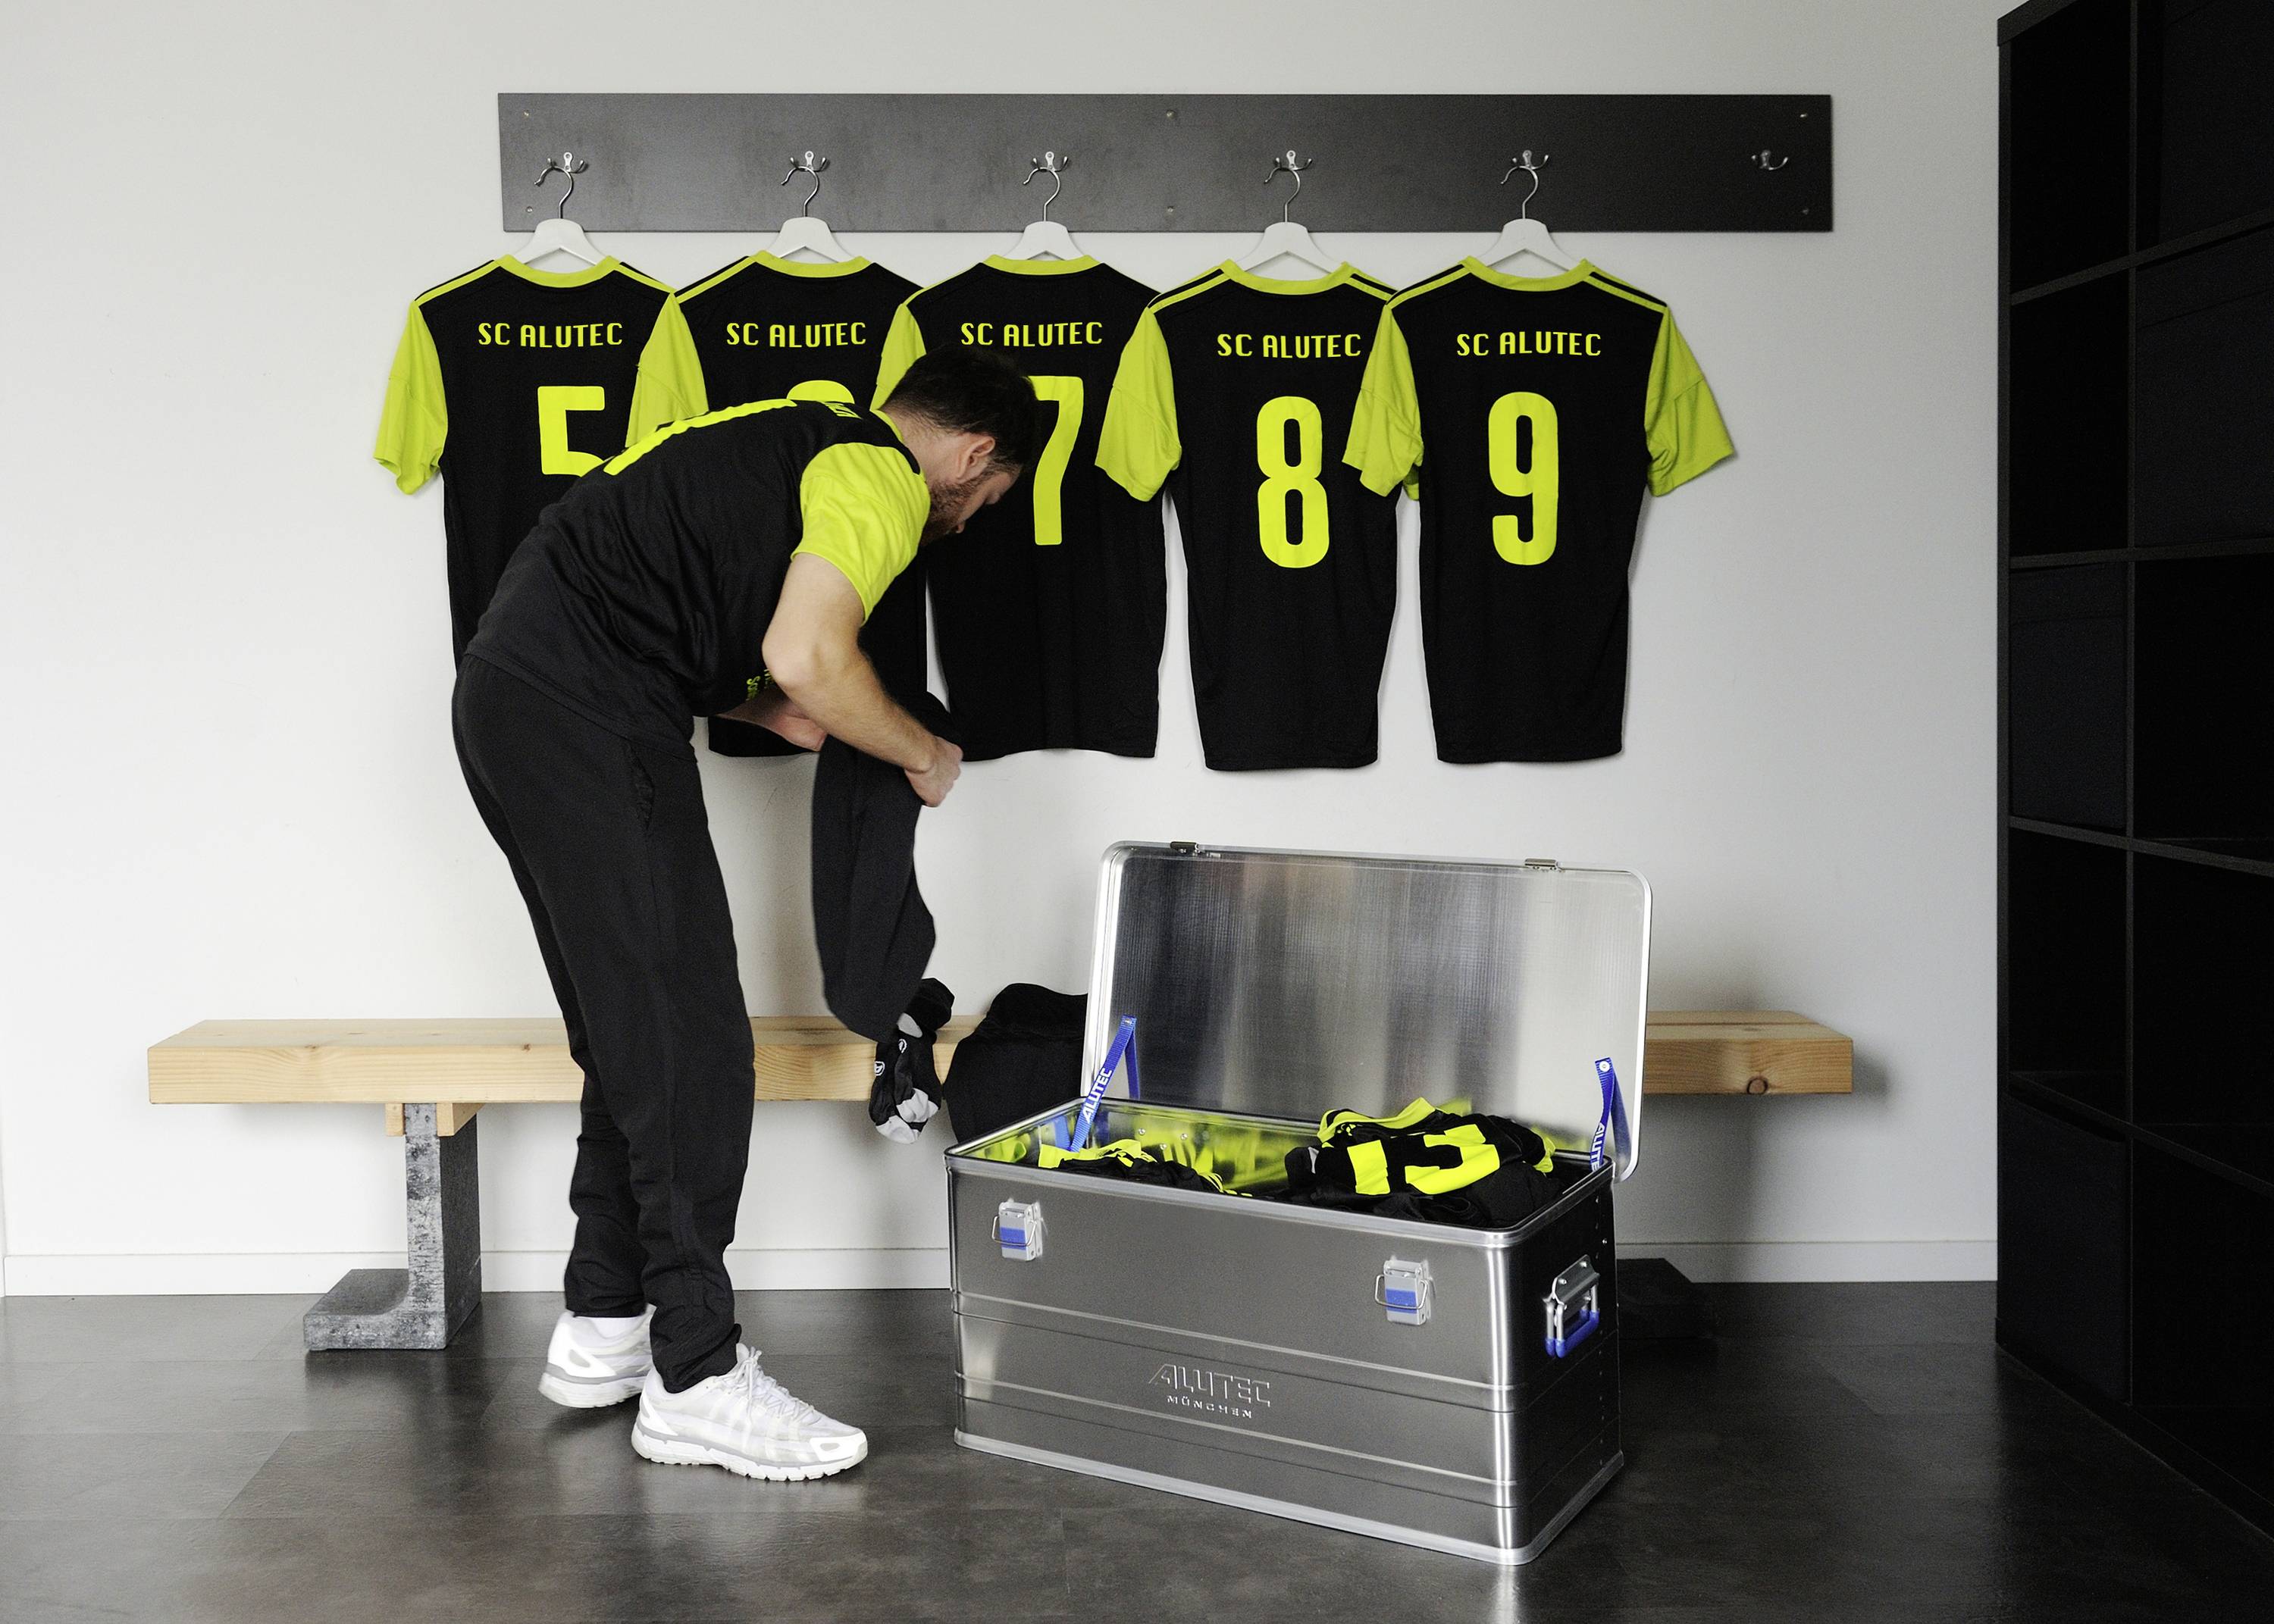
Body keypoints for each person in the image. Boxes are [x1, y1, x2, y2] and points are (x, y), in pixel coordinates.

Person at [451, 349, 1044, 1481]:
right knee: (694, 1046)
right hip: (589, 708)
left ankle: (607, 1320)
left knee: (631, 1032)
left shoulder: (793, 424)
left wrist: (769, 708)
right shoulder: (880, 475)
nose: (968, 522)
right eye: (988, 499)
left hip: (509, 692)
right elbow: (806, 650)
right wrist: (919, 751)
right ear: (974, 455)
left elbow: (693, 598)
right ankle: (697, 1376)